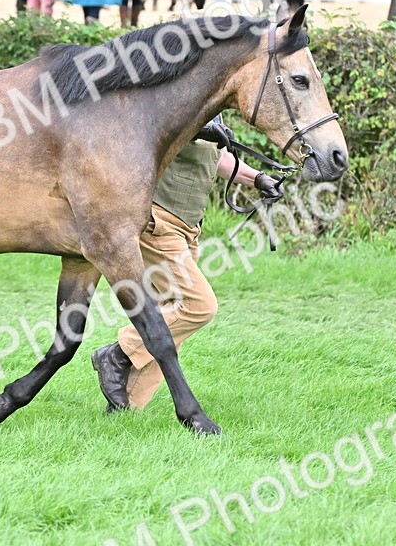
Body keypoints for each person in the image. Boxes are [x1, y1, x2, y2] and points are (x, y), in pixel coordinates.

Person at [91, 117, 283, 413]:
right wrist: (200, 127)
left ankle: (126, 408)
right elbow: (164, 128)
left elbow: (217, 158)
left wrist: (257, 178)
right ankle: (118, 354)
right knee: (199, 306)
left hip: (188, 230)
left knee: (172, 313)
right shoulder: (177, 101)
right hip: (160, 223)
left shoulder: (212, 108)